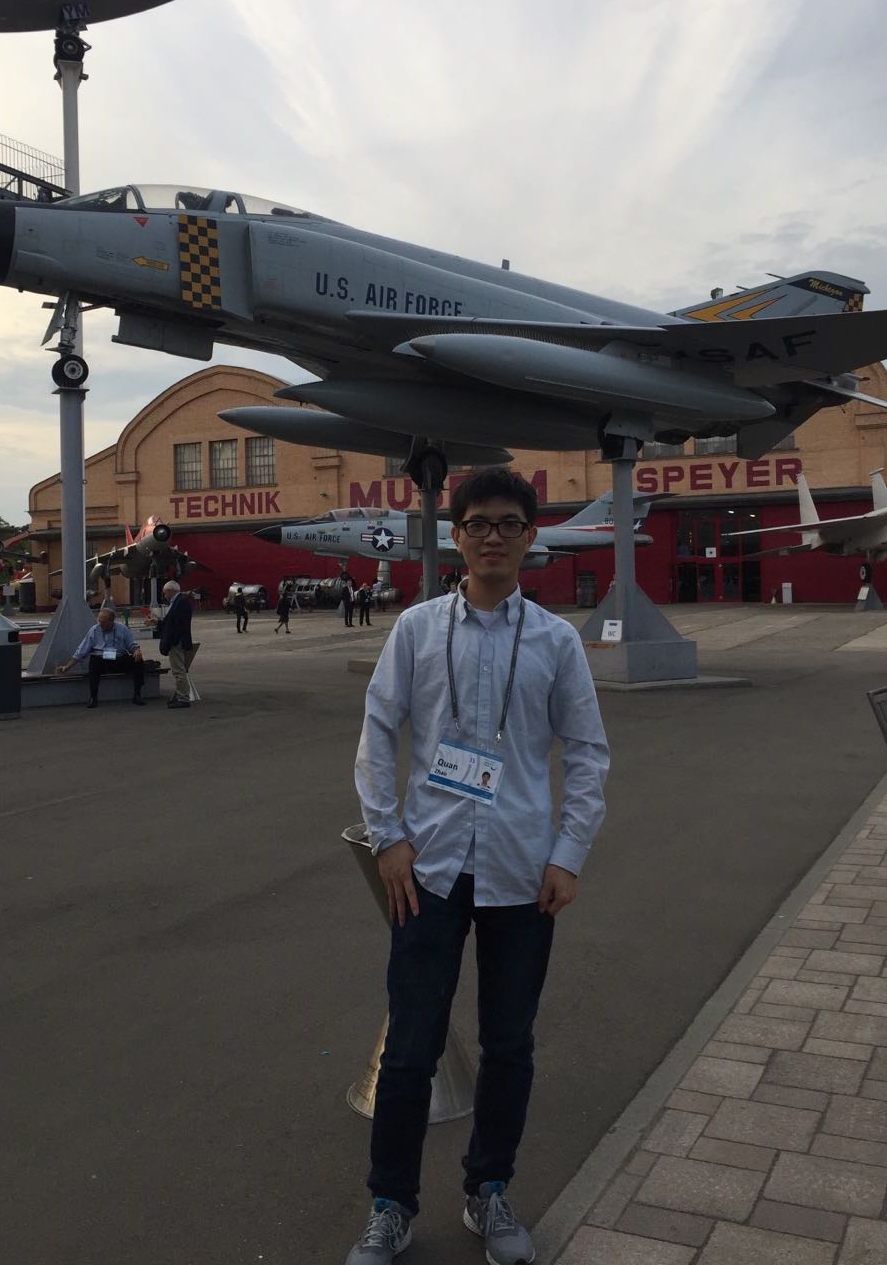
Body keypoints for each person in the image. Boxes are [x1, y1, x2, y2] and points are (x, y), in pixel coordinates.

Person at [347, 468, 608, 1265]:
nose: (493, 536)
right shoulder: (417, 630)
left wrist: (568, 854)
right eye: (478, 523)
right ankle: (390, 1205)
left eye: (509, 523)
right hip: (427, 870)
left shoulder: (556, 642)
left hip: (522, 872)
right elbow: (377, 731)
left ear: (531, 536)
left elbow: (588, 753)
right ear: (456, 536)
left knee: (509, 1045)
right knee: (410, 1049)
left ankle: (488, 1190)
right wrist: (387, 836)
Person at [57, 606, 146, 708]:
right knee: (94, 662)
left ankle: (137, 695)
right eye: (99, 620)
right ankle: (93, 697)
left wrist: (136, 650)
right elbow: (82, 650)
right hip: (101, 659)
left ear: (112, 621)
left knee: (138, 661)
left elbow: (132, 645)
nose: (100, 623)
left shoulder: (122, 629)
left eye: (103, 622)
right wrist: (67, 666)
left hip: (118, 658)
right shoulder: (94, 630)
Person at [159, 579, 195, 709]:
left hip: (177, 642)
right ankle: (180, 695)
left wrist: (170, 641)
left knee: (179, 671)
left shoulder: (180, 603)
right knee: (179, 671)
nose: (164, 596)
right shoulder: (180, 602)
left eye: (165, 593)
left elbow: (176, 625)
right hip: (178, 640)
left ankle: (183, 698)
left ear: (170, 591)